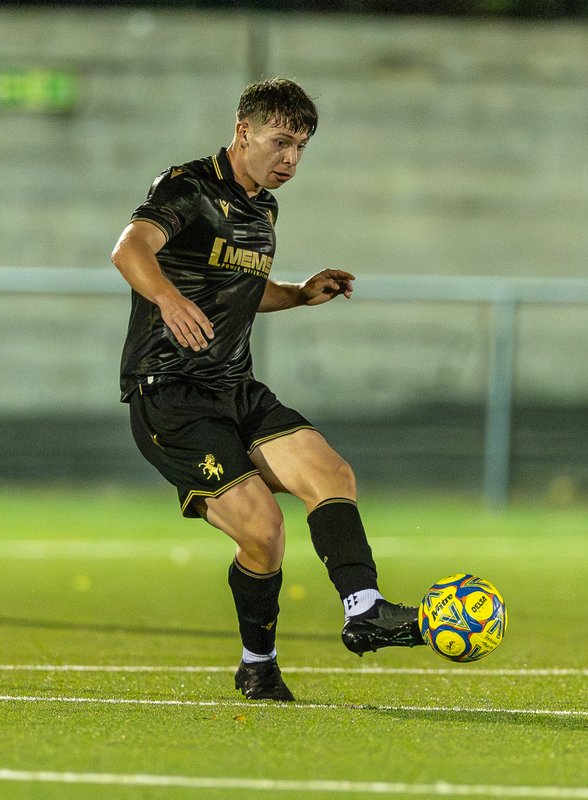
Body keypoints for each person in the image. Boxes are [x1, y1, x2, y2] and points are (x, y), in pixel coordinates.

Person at [111, 78, 422, 702]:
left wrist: (299, 294)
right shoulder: (187, 187)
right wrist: (168, 298)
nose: (292, 160)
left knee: (330, 472)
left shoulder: (263, 208)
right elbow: (129, 250)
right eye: (281, 143)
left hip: (235, 387)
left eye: (302, 147)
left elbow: (245, 288)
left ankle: (363, 609)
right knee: (264, 530)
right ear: (243, 130)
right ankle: (259, 662)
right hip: (168, 396)